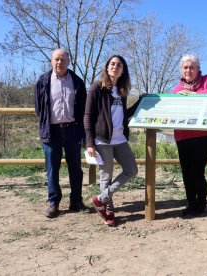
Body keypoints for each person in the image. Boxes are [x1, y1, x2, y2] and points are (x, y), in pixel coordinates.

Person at [84, 55, 142, 227]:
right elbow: (88, 115)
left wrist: (140, 102)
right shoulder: (97, 87)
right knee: (106, 176)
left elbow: (124, 114)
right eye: (112, 64)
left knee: (131, 170)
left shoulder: (122, 90)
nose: (115, 66)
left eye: (119, 65)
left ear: (123, 70)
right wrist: (89, 142)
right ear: (107, 67)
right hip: (102, 140)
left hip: (120, 139)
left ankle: (100, 199)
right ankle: (108, 210)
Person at [34, 49, 90, 218]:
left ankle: (76, 201)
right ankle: (54, 203)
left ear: (68, 61)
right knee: (52, 169)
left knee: (76, 168)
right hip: (51, 131)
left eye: (63, 59)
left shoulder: (77, 82)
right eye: (56, 59)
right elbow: (39, 108)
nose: (60, 62)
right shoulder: (43, 81)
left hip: (73, 130)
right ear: (51, 61)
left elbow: (83, 108)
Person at [173, 54, 207, 216]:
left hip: (203, 135)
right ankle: (191, 204)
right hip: (183, 135)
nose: (188, 70)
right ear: (181, 70)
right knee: (186, 172)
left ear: (197, 68)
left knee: (197, 171)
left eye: (191, 67)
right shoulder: (177, 89)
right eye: (185, 67)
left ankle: (201, 203)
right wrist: (178, 97)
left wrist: (198, 95)